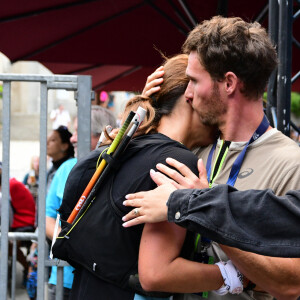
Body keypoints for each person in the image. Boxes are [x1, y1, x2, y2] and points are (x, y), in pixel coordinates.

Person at [122, 16, 300, 300]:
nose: (188, 94)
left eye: (193, 81)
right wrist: (146, 111)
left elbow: (291, 285)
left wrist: (203, 208)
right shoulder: (194, 150)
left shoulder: (291, 163)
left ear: (228, 83)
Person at [55, 54, 222, 300]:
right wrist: (235, 275)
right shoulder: (178, 164)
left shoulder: (128, 147)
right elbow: (157, 274)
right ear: (190, 96)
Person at [45, 106, 117, 300]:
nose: (72, 138)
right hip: (63, 277)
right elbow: (46, 218)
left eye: (78, 131)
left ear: (104, 134)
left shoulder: (118, 170)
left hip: (102, 280)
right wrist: (72, 243)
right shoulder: (66, 168)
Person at [46, 125, 75, 190]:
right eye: (47, 139)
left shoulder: (69, 169)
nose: (47, 143)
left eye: (52, 140)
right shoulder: (51, 170)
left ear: (64, 146)